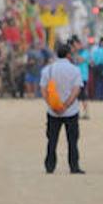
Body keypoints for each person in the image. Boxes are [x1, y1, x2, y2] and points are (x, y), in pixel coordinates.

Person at [39, 42, 84, 175]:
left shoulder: (48, 69)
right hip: (71, 111)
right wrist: (66, 106)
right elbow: (76, 90)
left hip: (53, 111)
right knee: (72, 141)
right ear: (69, 55)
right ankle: (74, 166)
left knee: (52, 140)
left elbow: (43, 89)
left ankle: (50, 166)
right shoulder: (75, 70)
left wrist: (52, 104)